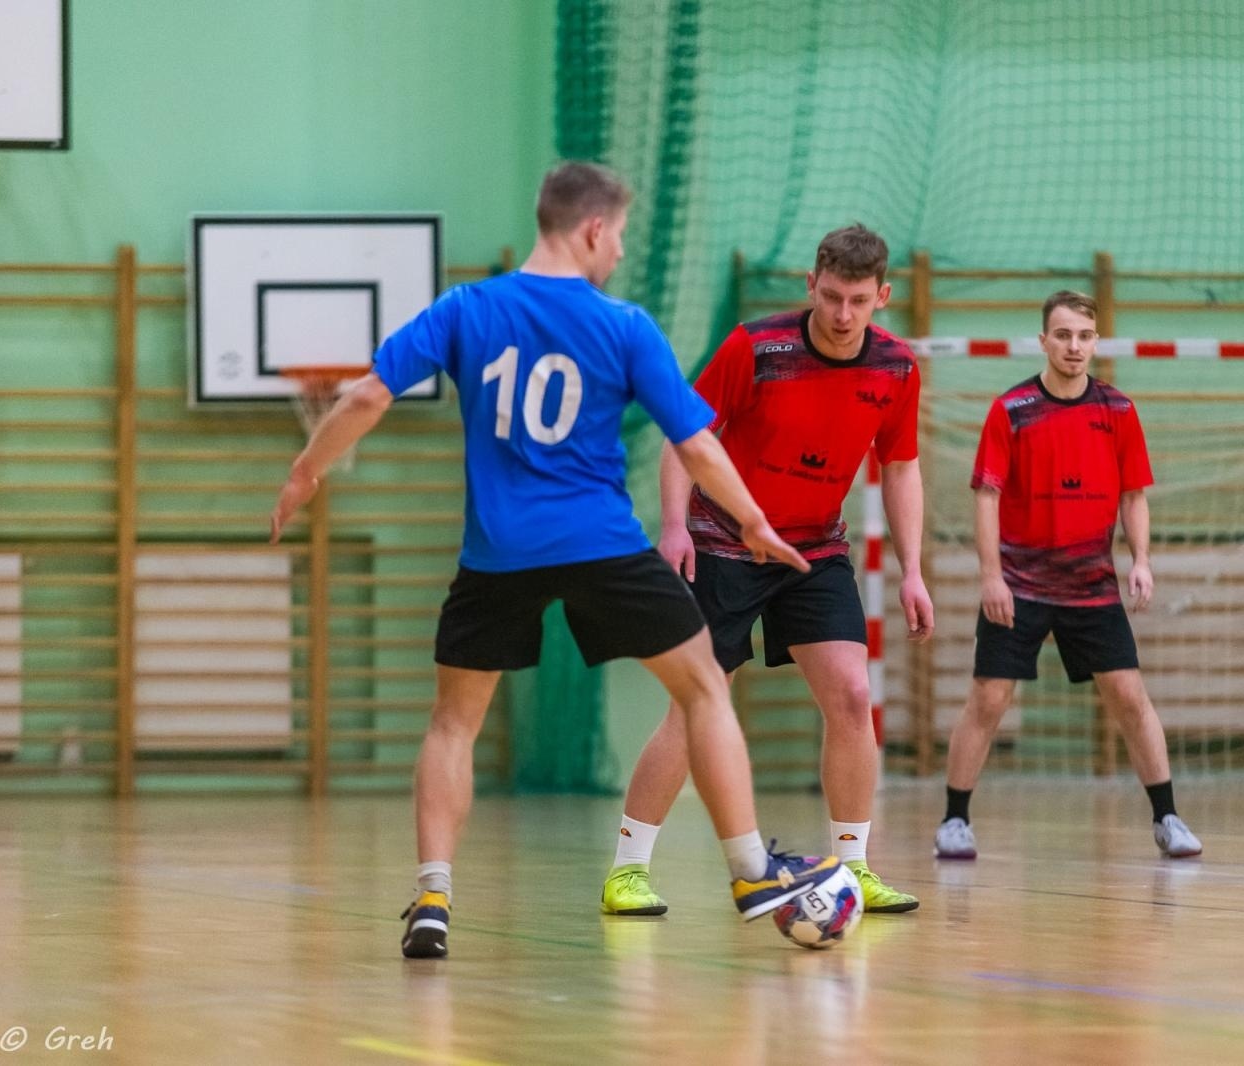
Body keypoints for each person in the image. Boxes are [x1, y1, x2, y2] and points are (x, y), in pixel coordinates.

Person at [268, 161, 843, 960]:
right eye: (621, 238)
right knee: (705, 687)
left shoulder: (468, 307)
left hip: (497, 553)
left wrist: (307, 470)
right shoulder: (625, 324)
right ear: (594, 230)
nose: (619, 254)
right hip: (601, 543)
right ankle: (750, 871)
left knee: (453, 724)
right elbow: (697, 444)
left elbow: (366, 397)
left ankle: (433, 895)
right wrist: (754, 522)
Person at [599, 223, 934, 918]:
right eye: (833, 297)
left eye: (860, 301)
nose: (844, 315)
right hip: (724, 545)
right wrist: (671, 527)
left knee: (849, 695)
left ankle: (853, 865)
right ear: (811, 285)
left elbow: (900, 467)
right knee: (698, 708)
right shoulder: (759, 348)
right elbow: (683, 441)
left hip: (816, 551)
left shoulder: (897, 368)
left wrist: (913, 571)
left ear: (883, 297)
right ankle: (628, 870)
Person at [933, 290, 1202, 862]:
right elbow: (986, 497)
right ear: (1044, 341)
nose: (1074, 346)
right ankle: (955, 821)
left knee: (1130, 697)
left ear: (1096, 341)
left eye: (1084, 336)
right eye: (1063, 335)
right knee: (989, 699)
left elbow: (1135, 496)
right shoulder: (1010, 410)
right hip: (1019, 584)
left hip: (1091, 585)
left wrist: (1142, 560)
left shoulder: (1119, 411)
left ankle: (1168, 817)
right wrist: (990, 578)